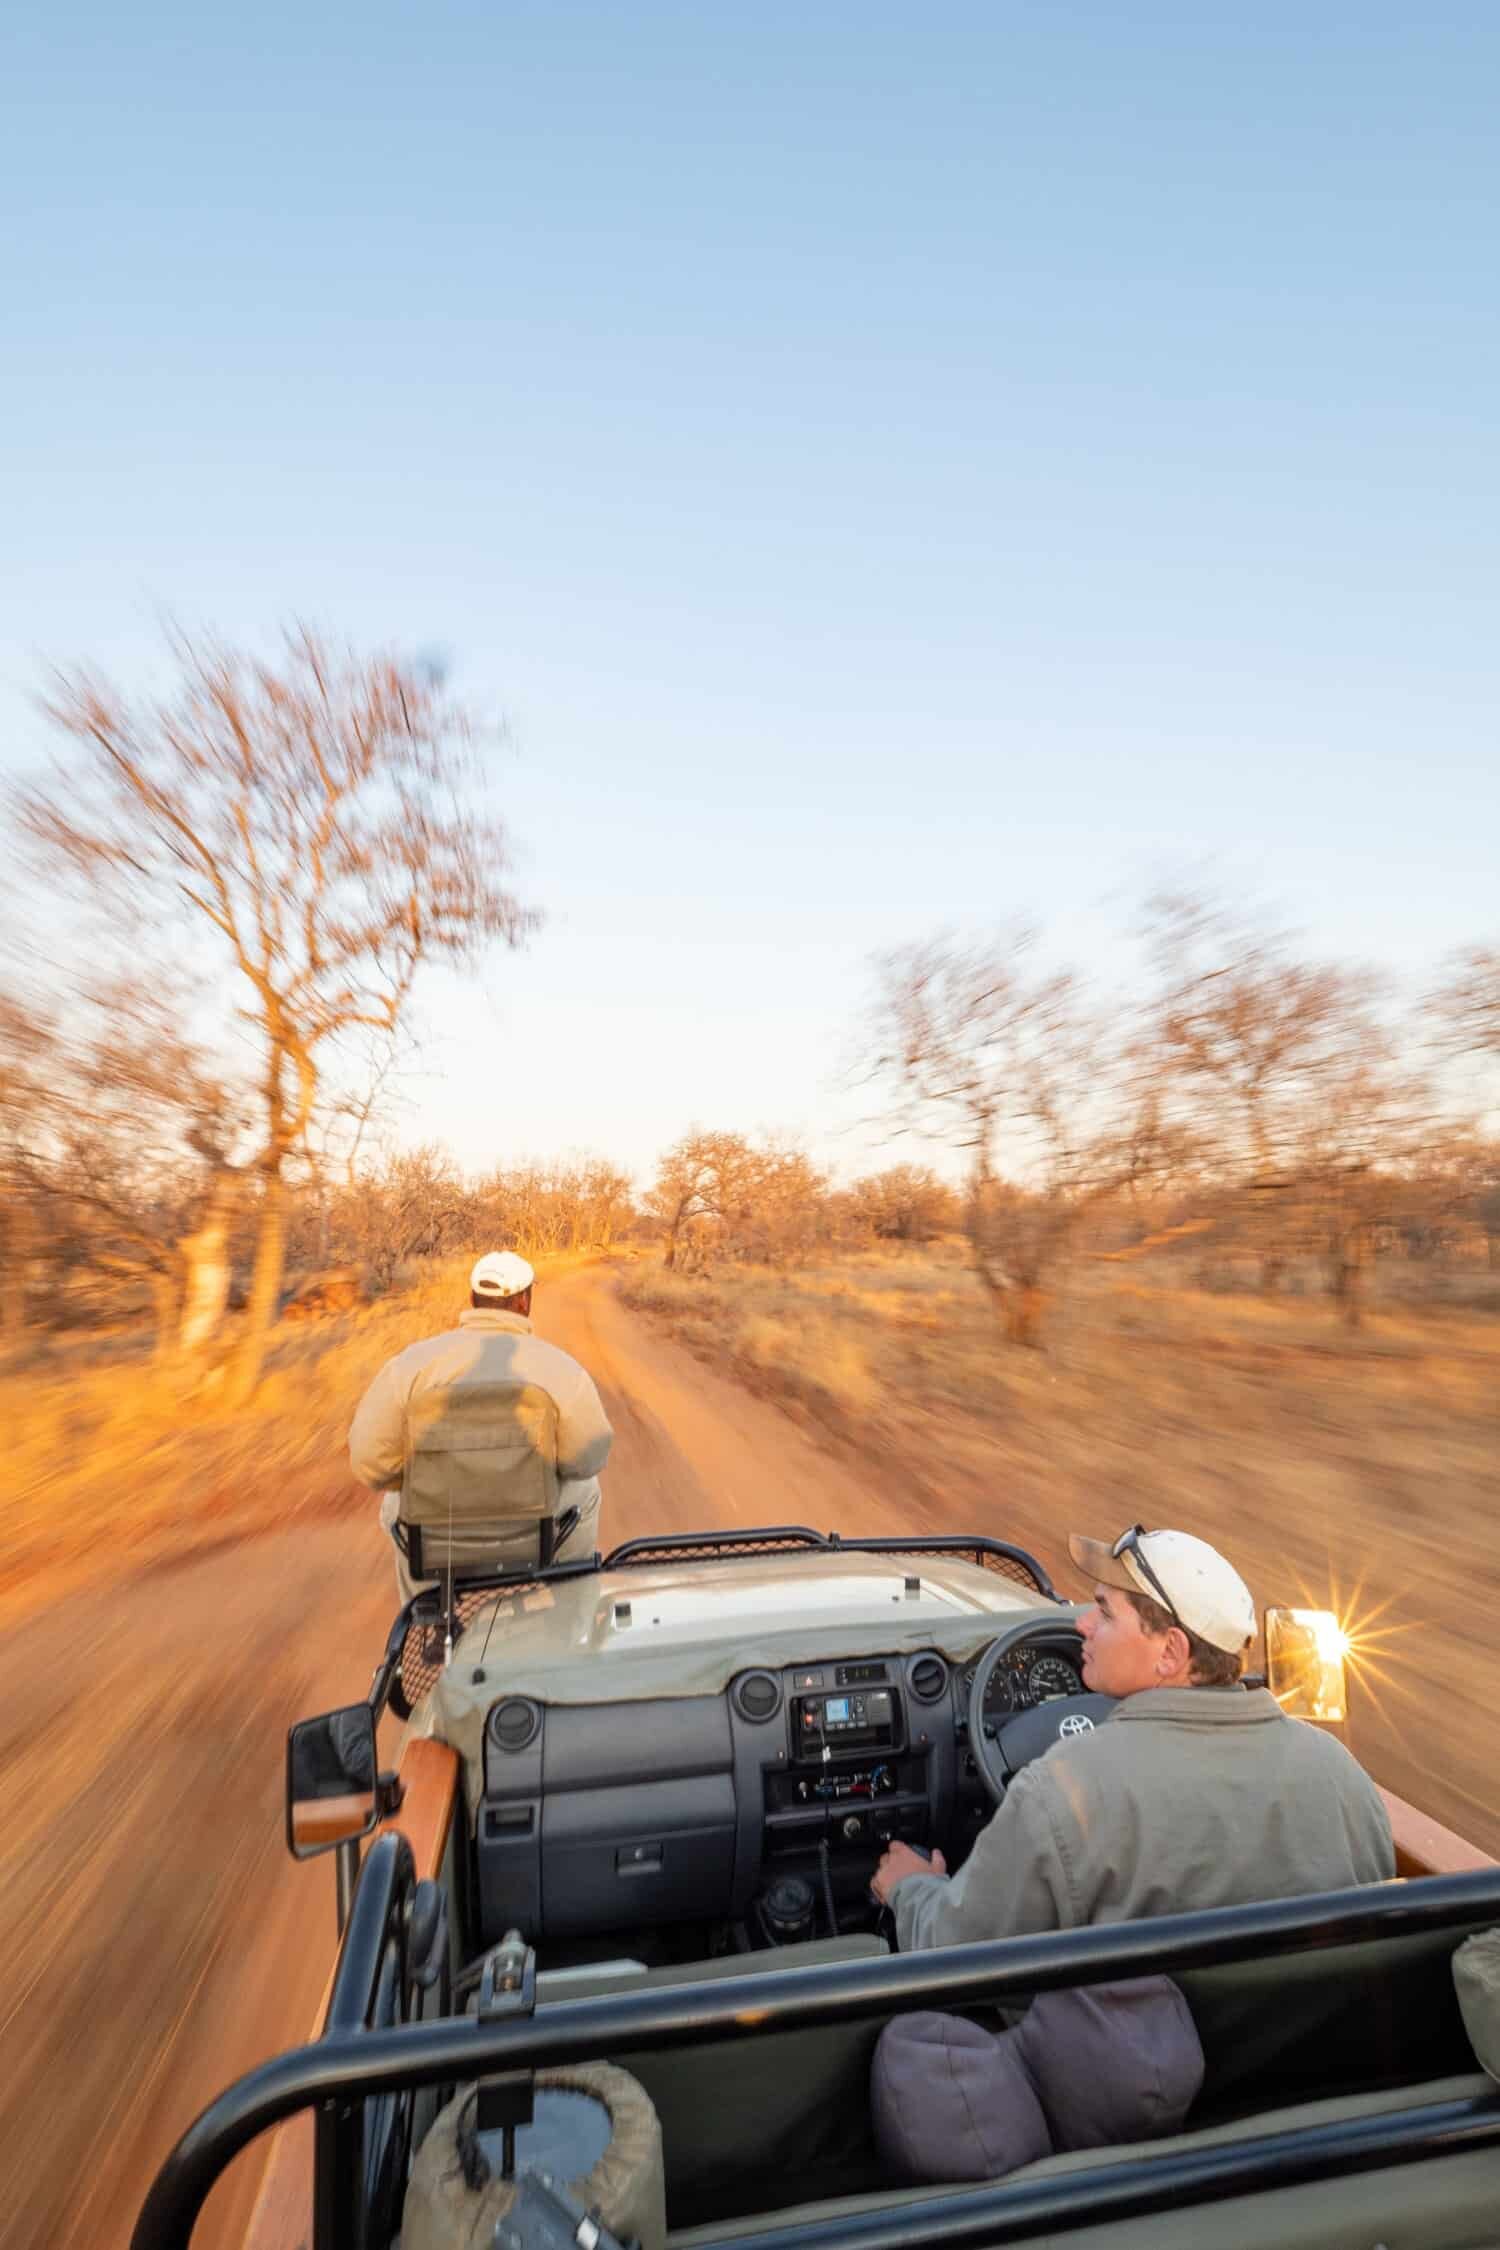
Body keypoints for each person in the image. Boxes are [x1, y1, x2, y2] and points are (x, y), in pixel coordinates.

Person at [872, 1523, 1395, 1951]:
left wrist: (911, 1888)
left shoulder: (1063, 1791)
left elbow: (956, 1951)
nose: (1080, 1624)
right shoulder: (1342, 1774)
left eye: (1103, 1611)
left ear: (1170, 1653)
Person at [349, 1250, 613, 1601]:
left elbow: (370, 1466)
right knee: (588, 1490)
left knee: (393, 1505)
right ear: (524, 1302)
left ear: (473, 1299)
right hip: (531, 1532)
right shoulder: (562, 1369)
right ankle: (570, 1607)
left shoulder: (410, 1365)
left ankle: (423, 1611)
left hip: (438, 1534)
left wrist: (435, 1480)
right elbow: (587, 1460)